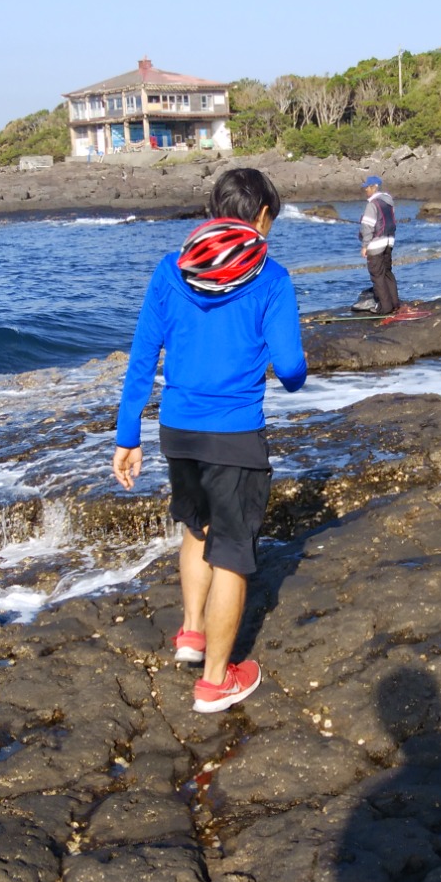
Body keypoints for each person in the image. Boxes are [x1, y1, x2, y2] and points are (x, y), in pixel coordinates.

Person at [112, 167, 306, 713]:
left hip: (177, 430)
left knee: (197, 528)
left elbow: (142, 356)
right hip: (234, 435)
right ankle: (216, 681)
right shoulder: (272, 278)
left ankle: (192, 633)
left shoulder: (169, 269)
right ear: (262, 217)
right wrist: (288, 370)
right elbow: (291, 368)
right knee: (233, 554)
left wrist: (128, 435)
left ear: (212, 211)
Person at [359, 174, 405, 317]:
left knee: (377, 276)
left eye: (367, 187)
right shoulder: (389, 202)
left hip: (376, 244)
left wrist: (365, 246)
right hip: (389, 242)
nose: (365, 190)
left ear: (374, 187)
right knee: (387, 273)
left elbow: (367, 227)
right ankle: (395, 303)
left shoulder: (372, 204)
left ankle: (385, 308)